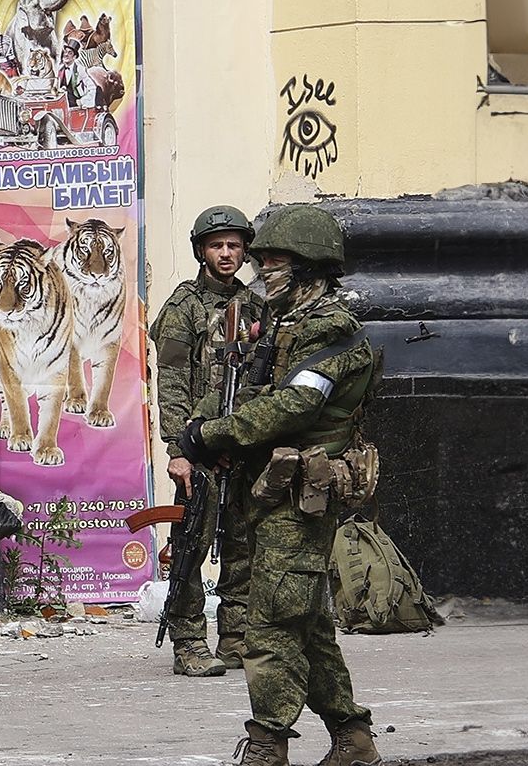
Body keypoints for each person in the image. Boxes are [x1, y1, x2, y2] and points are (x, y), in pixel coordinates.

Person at [178, 205, 383, 766]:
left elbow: (292, 407)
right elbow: (242, 388)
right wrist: (201, 432)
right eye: (261, 258)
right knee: (307, 624)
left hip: (299, 501)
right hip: (267, 495)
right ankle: (353, 739)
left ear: (310, 266)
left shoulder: (331, 333)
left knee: (267, 626)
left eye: (275, 260)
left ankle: (267, 744)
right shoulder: (279, 324)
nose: (260, 267)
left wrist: (214, 434)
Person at [146, 205, 260, 678]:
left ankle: (235, 638)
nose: (227, 253)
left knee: (243, 543)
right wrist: (177, 449)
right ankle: (189, 642)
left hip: (246, 442)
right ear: (201, 251)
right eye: (217, 245)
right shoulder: (183, 306)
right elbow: (170, 381)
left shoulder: (256, 307)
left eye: (234, 245)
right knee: (192, 544)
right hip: (199, 446)